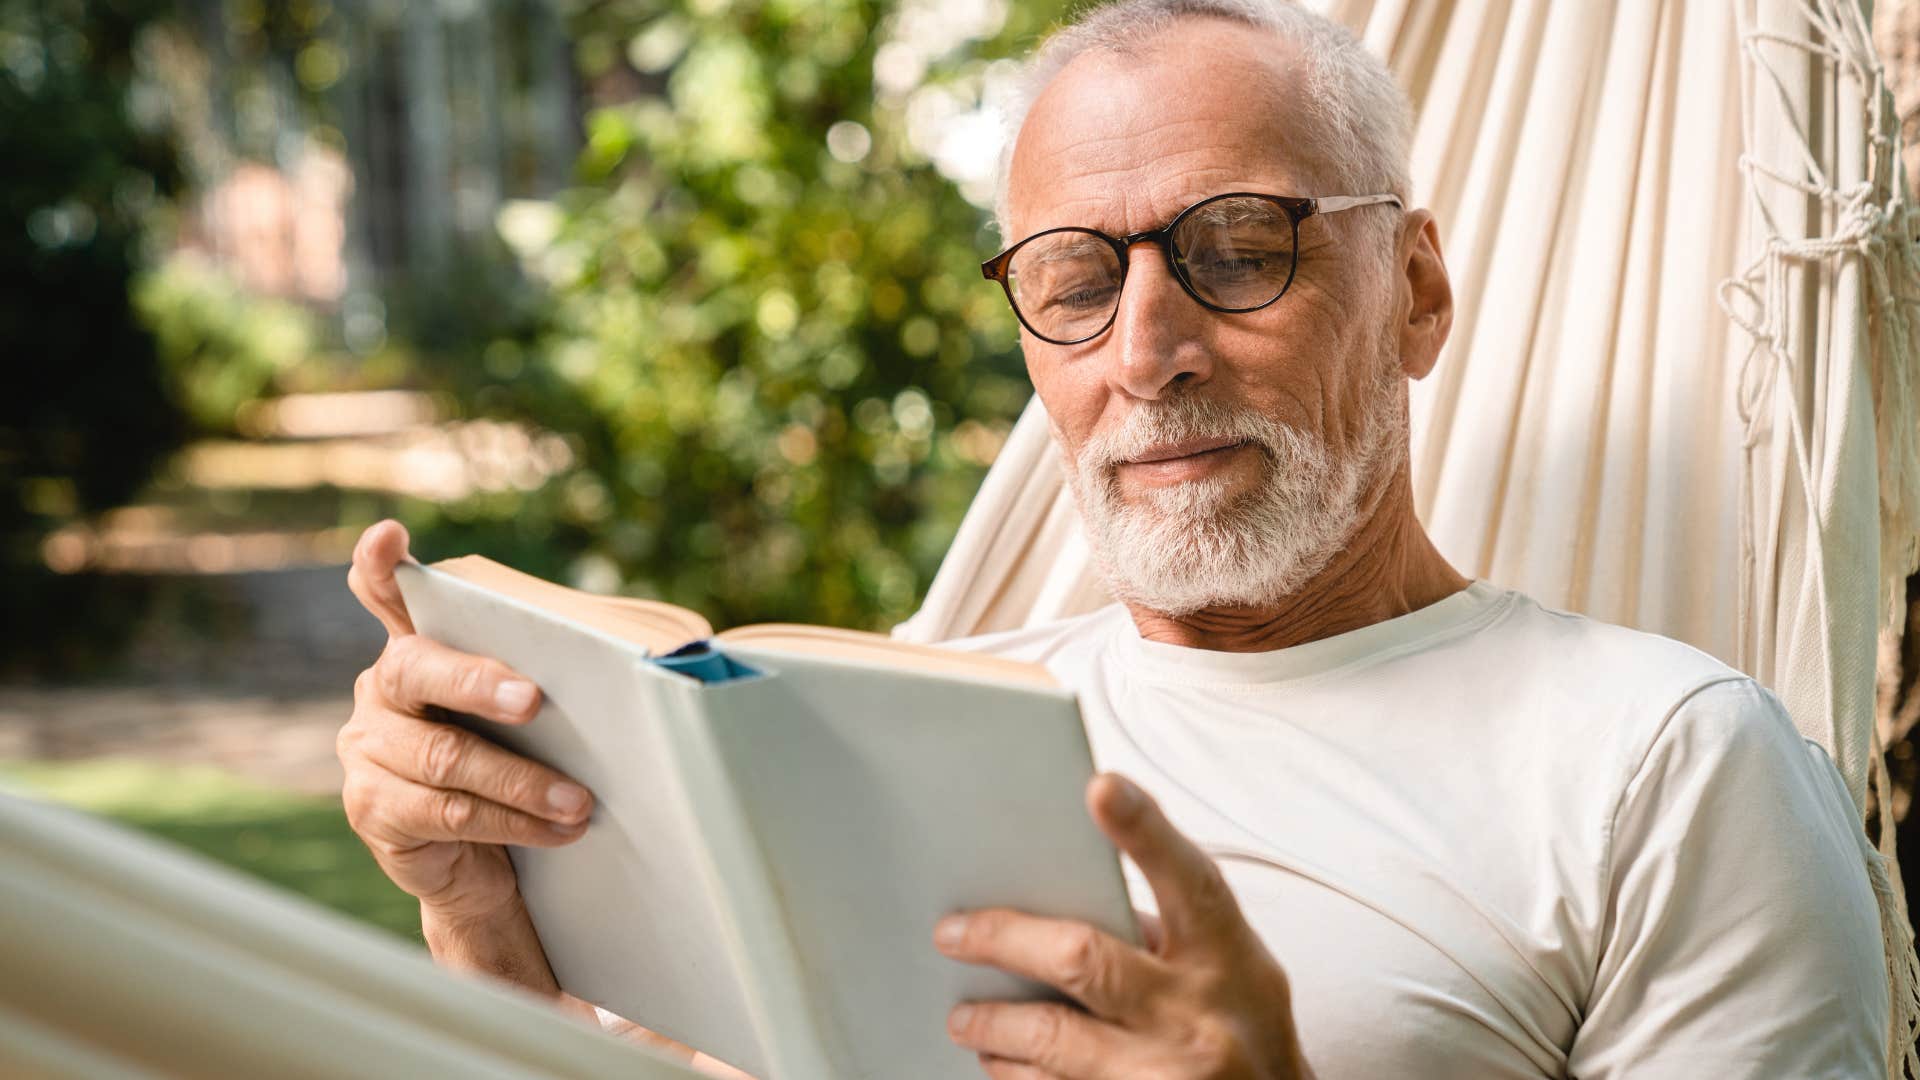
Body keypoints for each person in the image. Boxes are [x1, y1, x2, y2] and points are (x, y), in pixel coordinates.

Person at [338, 1, 1890, 1076]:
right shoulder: (926, 716)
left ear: (1416, 291)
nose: (1148, 350)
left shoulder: (1668, 765)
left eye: (1236, 250)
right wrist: (480, 915)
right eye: (1077, 281)